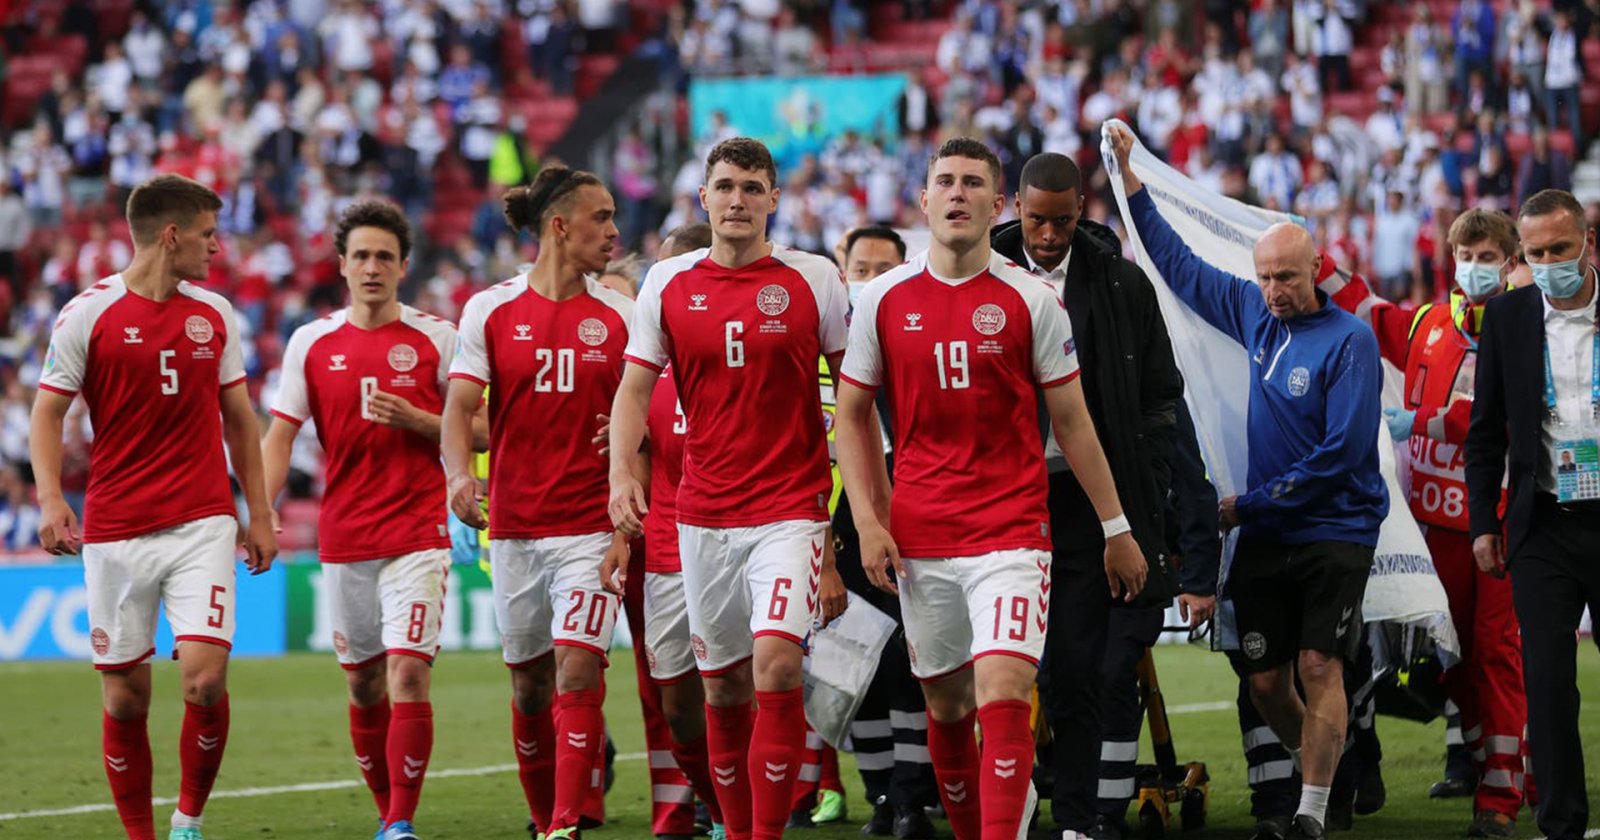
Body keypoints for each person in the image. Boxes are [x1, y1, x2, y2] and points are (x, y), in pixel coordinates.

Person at [833, 137, 1147, 840]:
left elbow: (1074, 423)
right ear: (924, 201)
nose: (958, 192)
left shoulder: (1033, 299)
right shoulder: (881, 300)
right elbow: (851, 417)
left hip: (1012, 533)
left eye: (973, 182)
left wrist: (1115, 527)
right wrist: (871, 521)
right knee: (947, 708)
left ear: (997, 203)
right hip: (921, 535)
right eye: (945, 181)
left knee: (1004, 690)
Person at [1108, 123, 1387, 840]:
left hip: (1336, 528)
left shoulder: (1350, 341)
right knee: (1264, 681)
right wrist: (1132, 181)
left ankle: (1311, 812)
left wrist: (1246, 506)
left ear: (1316, 268)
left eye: (1286, 277)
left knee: (1319, 665)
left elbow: (1341, 454)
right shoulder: (1255, 316)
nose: (1272, 290)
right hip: (1268, 531)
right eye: (1264, 277)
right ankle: (1329, 766)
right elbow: (1177, 264)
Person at [608, 137, 849, 840]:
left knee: (776, 666)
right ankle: (738, 828)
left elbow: (856, 397)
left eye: (751, 187)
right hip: (702, 516)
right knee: (722, 687)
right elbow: (633, 390)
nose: (737, 200)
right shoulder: (667, 282)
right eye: (725, 187)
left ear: (774, 198)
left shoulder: (814, 279)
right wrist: (621, 471)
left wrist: (856, 512)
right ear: (704, 197)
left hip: (790, 510)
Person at [30, 173, 277, 840]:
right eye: (207, 235)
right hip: (116, 529)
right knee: (124, 697)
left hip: (203, 521)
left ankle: (187, 821)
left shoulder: (215, 314)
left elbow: (239, 419)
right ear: (171, 237)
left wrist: (258, 512)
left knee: (204, 680)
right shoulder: (87, 314)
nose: (216, 248)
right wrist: (51, 499)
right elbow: (47, 413)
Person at [261, 201, 487, 840]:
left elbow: (486, 429)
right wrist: (259, 508)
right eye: (360, 255)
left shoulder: (437, 339)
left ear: (403, 267)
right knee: (363, 685)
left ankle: (400, 821)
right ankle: (389, 811)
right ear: (341, 265)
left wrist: (420, 420)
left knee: (408, 671)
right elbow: (280, 436)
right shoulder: (311, 342)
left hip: (418, 531)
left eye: (384, 256)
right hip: (345, 535)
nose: (371, 267)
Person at [989, 151, 1185, 839]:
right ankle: (1002, 808)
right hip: (998, 498)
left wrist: (1142, 483)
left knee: (1074, 669)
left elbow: (1161, 393)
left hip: (1084, 499)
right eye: (1037, 221)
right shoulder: (978, 278)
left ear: (1082, 211)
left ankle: (1074, 818)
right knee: (996, 670)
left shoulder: (1121, 284)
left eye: (1063, 222)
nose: (1049, 235)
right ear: (1016, 209)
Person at [440, 167, 634, 840]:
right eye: (601, 217)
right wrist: (458, 478)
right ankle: (543, 811)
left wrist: (625, 520)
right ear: (559, 226)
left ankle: (564, 824)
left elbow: (651, 415)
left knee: (577, 668)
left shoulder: (621, 315)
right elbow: (459, 408)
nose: (613, 232)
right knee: (528, 687)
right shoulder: (489, 311)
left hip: (591, 527)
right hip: (515, 529)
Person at [1323, 207, 1528, 837]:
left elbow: (1501, 412)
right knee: (1454, 658)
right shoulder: (1428, 324)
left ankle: (1500, 795)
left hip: (1496, 520)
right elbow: (1366, 310)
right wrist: (1315, 262)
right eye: (1466, 256)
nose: (1474, 267)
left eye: (1487, 257)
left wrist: (1426, 423)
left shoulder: (1525, 327)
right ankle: (1488, 760)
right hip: (1434, 527)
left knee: (1496, 655)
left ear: (1509, 262)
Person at [1467, 188, 1600, 840]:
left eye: (1560, 249)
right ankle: (1561, 825)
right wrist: (1482, 525)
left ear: (1588, 243)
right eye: (1536, 253)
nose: (1548, 264)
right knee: (1546, 685)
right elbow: (1484, 432)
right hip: (1542, 523)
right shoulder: (1508, 316)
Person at [596, 221, 730, 840]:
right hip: (666, 548)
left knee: (739, 687)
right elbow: (638, 458)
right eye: (661, 273)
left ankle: (742, 813)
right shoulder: (642, 375)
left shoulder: (743, 355)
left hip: (739, 541)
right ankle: (704, 805)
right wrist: (622, 537)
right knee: (672, 700)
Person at [828, 226, 941, 840]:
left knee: (905, 656)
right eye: (860, 268)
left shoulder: (915, 333)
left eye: (883, 268)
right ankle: (880, 795)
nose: (869, 279)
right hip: (840, 513)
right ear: (842, 271)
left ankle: (912, 796)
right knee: (856, 661)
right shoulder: (820, 342)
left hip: (910, 501)